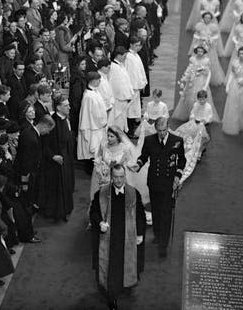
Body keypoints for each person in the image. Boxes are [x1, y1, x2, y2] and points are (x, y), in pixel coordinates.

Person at [89, 164, 145, 310]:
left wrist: (140, 233)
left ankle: (124, 286)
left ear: (125, 176)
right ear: (111, 177)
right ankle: (111, 297)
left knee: (125, 265)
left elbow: (140, 215)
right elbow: (93, 212)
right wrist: (100, 222)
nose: (119, 181)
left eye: (121, 177)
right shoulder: (101, 193)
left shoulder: (133, 193)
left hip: (127, 238)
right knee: (111, 269)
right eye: (116, 177)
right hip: (109, 240)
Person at [132, 117, 185, 258]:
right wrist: (138, 165)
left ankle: (163, 245)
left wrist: (177, 176)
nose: (162, 133)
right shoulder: (149, 140)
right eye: (159, 131)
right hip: (154, 182)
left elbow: (182, 160)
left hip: (169, 183)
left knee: (166, 213)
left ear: (168, 127)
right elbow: (143, 156)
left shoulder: (177, 141)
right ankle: (157, 234)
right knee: (156, 210)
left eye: (164, 130)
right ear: (156, 129)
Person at [37, 96, 75, 221]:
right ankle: (56, 211)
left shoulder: (66, 119)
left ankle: (66, 208)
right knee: (56, 188)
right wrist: (53, 156)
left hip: (66, 158)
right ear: (58, 107)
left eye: (68, 104)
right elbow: (45, 143)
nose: (69, 107)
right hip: (55, 161)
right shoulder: (53, 122)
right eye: (65, 105)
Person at [173, 46, 219, 122]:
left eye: (201, 51)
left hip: (202, 81)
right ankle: (191, 114)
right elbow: (189, 69)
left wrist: (206, 85)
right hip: (193, 80)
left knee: (201, 96)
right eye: (198, 51)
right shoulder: (192, 59)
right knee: (190, 96)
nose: (199, 53)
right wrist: (187, 79)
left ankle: (202, 115)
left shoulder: (206, 61)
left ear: (204, 52)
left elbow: (209, 73)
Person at [77, 72, 108, 162]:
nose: (99, 82)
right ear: (93, 81)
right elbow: (89, 114)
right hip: (92, 127)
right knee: (93, 152)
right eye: (98, 80)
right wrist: (101, 122)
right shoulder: (88, 96)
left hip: (99, 126)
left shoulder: (95, 91)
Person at [189, 12, 225, 86]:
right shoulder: (199, 26)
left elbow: (216, 36)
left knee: (210, 62)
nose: (207, 19)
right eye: (206, 17)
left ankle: (210, 78)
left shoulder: (213, 27)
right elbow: (195, 35)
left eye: (209, 18)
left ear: (211, 19)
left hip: (210, 47)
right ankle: (197, 76)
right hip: (200, 46)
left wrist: (210, 40)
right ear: (203, 18)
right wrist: (201, 38)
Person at [108, 47, 134, 133]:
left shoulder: (121, 65)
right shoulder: (114, 68)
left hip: (123, 100)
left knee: (121, 123)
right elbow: (117, 85)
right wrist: (124, 96)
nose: (125, 58)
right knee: (117, 123)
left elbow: (126, 81)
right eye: (124, 56)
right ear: (118, 56)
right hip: (118, 100)